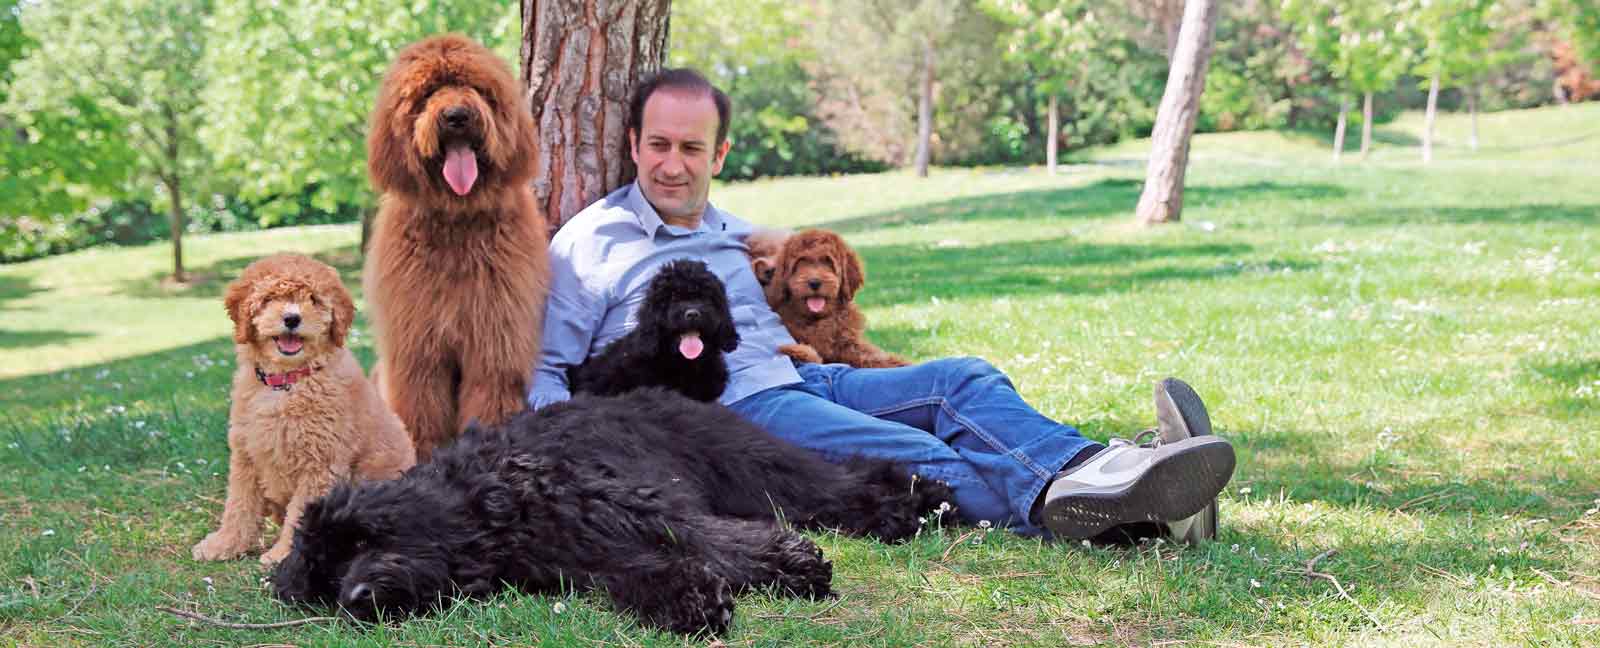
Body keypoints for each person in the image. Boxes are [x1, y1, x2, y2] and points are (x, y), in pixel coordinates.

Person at [528, 68, 1235, 541]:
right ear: (632, 144)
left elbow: (804, 268)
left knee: (963, 379)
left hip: (805, 376)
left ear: (720, 155)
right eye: (657, 146)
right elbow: (545, 373)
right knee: (925, 456)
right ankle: (1132, 518)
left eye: (691, 147)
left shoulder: (731, 229)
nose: (672, 164)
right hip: (728, 412)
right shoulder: (591, 243)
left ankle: (1104, 469)